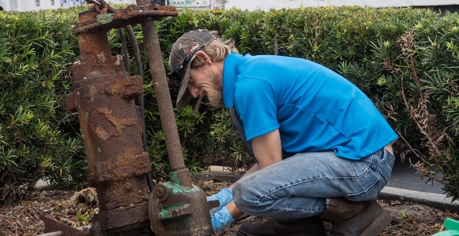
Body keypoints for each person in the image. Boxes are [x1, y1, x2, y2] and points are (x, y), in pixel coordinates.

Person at [169, 29, 398, 236]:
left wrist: (223, 216)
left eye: (191, 81)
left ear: (204, 59)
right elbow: (272, 163)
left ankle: (352, 214)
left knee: (249, 195)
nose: (194, 92)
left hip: (365, 164)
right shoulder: (249, 72)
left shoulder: (250, 86)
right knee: (246, 190)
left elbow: (270, 170)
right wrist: (223, 197)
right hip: (357, 157)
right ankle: (298, 227)